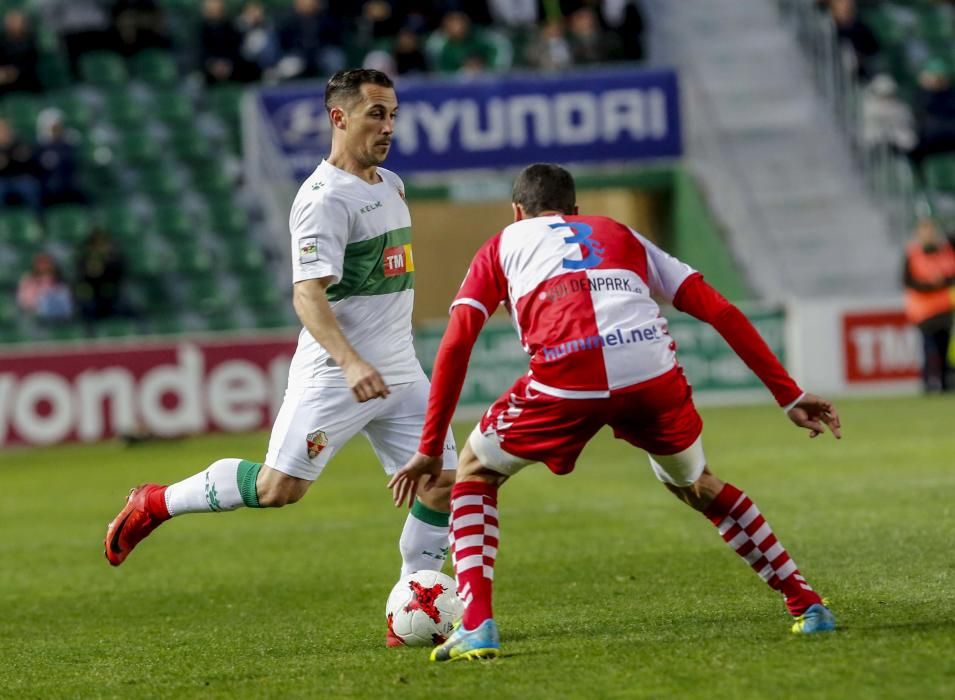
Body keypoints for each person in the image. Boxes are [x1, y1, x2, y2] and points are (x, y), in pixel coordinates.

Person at [389, 163, 842, 662]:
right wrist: (789, 395)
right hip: (650, 369)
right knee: (698, 485)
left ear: (516, 212)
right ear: (577, 211)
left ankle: (477, 626)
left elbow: (456, 343)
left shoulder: (503, 244)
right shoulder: (622, 233)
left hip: (567, 374)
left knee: (475, 469)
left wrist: (431, 448)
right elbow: (720, 310)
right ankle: (807, 603)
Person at [103, 69, 458, 647]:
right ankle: (156, 501)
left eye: (393, 114)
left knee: (444, 480)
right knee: (279, 490)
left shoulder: (391, 183)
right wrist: (349, 363)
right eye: (376, 114)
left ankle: (409, 608)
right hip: (337, 373)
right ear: (338, 118)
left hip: (399, 370)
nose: (388, 126)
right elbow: (307, 294)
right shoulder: (320, 200)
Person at [903, 217, 955, 393]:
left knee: (944, 349)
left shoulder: (946, 251)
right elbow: (908, 280)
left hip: (945, 310)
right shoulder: (912, 254)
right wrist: (932, 285)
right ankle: (928, 382)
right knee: (929, 348)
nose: (929, 233)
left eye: (931, 230)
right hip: (924, 312)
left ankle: (945, 382)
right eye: (925, 230)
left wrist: (942, 282)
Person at [16, 252, 73, 321]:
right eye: (41, 263)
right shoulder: (28, 280)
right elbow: (24, 302)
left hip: (58, 315)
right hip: (35, 315)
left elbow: (66, 304)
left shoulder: (60, 283)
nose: (44, 266)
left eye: (46, 263)